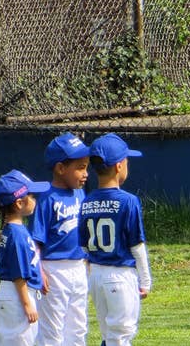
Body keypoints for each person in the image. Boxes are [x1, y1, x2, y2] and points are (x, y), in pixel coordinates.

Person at [78, 133, 152, 346]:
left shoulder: (86, 201)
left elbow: (83, 247)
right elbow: (137, 245)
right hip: (120, 275)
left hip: (96, 276)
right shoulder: (129, 201)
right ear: (119, 166)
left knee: (109, 334)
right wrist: (145, 281)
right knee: (120, 336)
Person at [29, 132, 90, 346]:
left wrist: (87, 259)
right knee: (52, 328)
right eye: (80, 167)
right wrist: (38, 270)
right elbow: (36, 240)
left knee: (78, 326)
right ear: (60, 168)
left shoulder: (80, 194)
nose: (85, 174)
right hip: (54, 269)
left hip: (78, 266)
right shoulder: (47, 198)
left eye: (86, 167)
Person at [0, 169, 50, 346]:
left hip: (11, 296)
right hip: (17, 298)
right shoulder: (17, 234)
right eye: (31, 196)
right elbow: (19, 274)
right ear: (19, 203)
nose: (35, 200)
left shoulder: (14, 231)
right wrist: (27, 304)